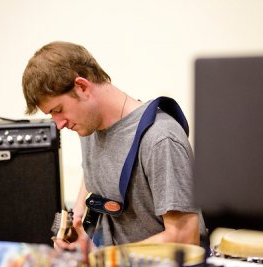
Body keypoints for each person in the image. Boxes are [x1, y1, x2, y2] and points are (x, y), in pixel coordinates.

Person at [22, 41, 206, 250]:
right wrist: (80, 219)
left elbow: (184, 236)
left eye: (59, 109)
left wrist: (104, 258)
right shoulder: (88, 127)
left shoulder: (160, 139)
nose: (59, 124)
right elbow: (98, 168)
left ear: (82, 86)